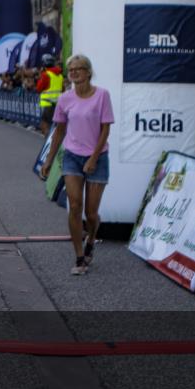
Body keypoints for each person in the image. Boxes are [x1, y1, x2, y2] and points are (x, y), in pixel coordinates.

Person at [40, 54, 114, 276]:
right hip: (71, 156)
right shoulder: (64, 99)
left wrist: (93, 158)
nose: (73, 73)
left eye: (78, 69)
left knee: (91, 214)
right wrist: (49, 159)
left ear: (88, 72)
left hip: (97, 157)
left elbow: (105, 129)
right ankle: (80, 257)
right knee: (74, 205)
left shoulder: (102, 95)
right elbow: (59, 131)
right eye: (70, 69)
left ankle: (91, 237)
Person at [36, 54, 64, 136]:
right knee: (55, 124)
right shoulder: (60, 75)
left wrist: (40, 76)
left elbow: (38, 88)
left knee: (44, 123)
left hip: (47, 104)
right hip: (58, 103)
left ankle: (50, 141)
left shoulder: (46, 75)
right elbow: (63, 89)